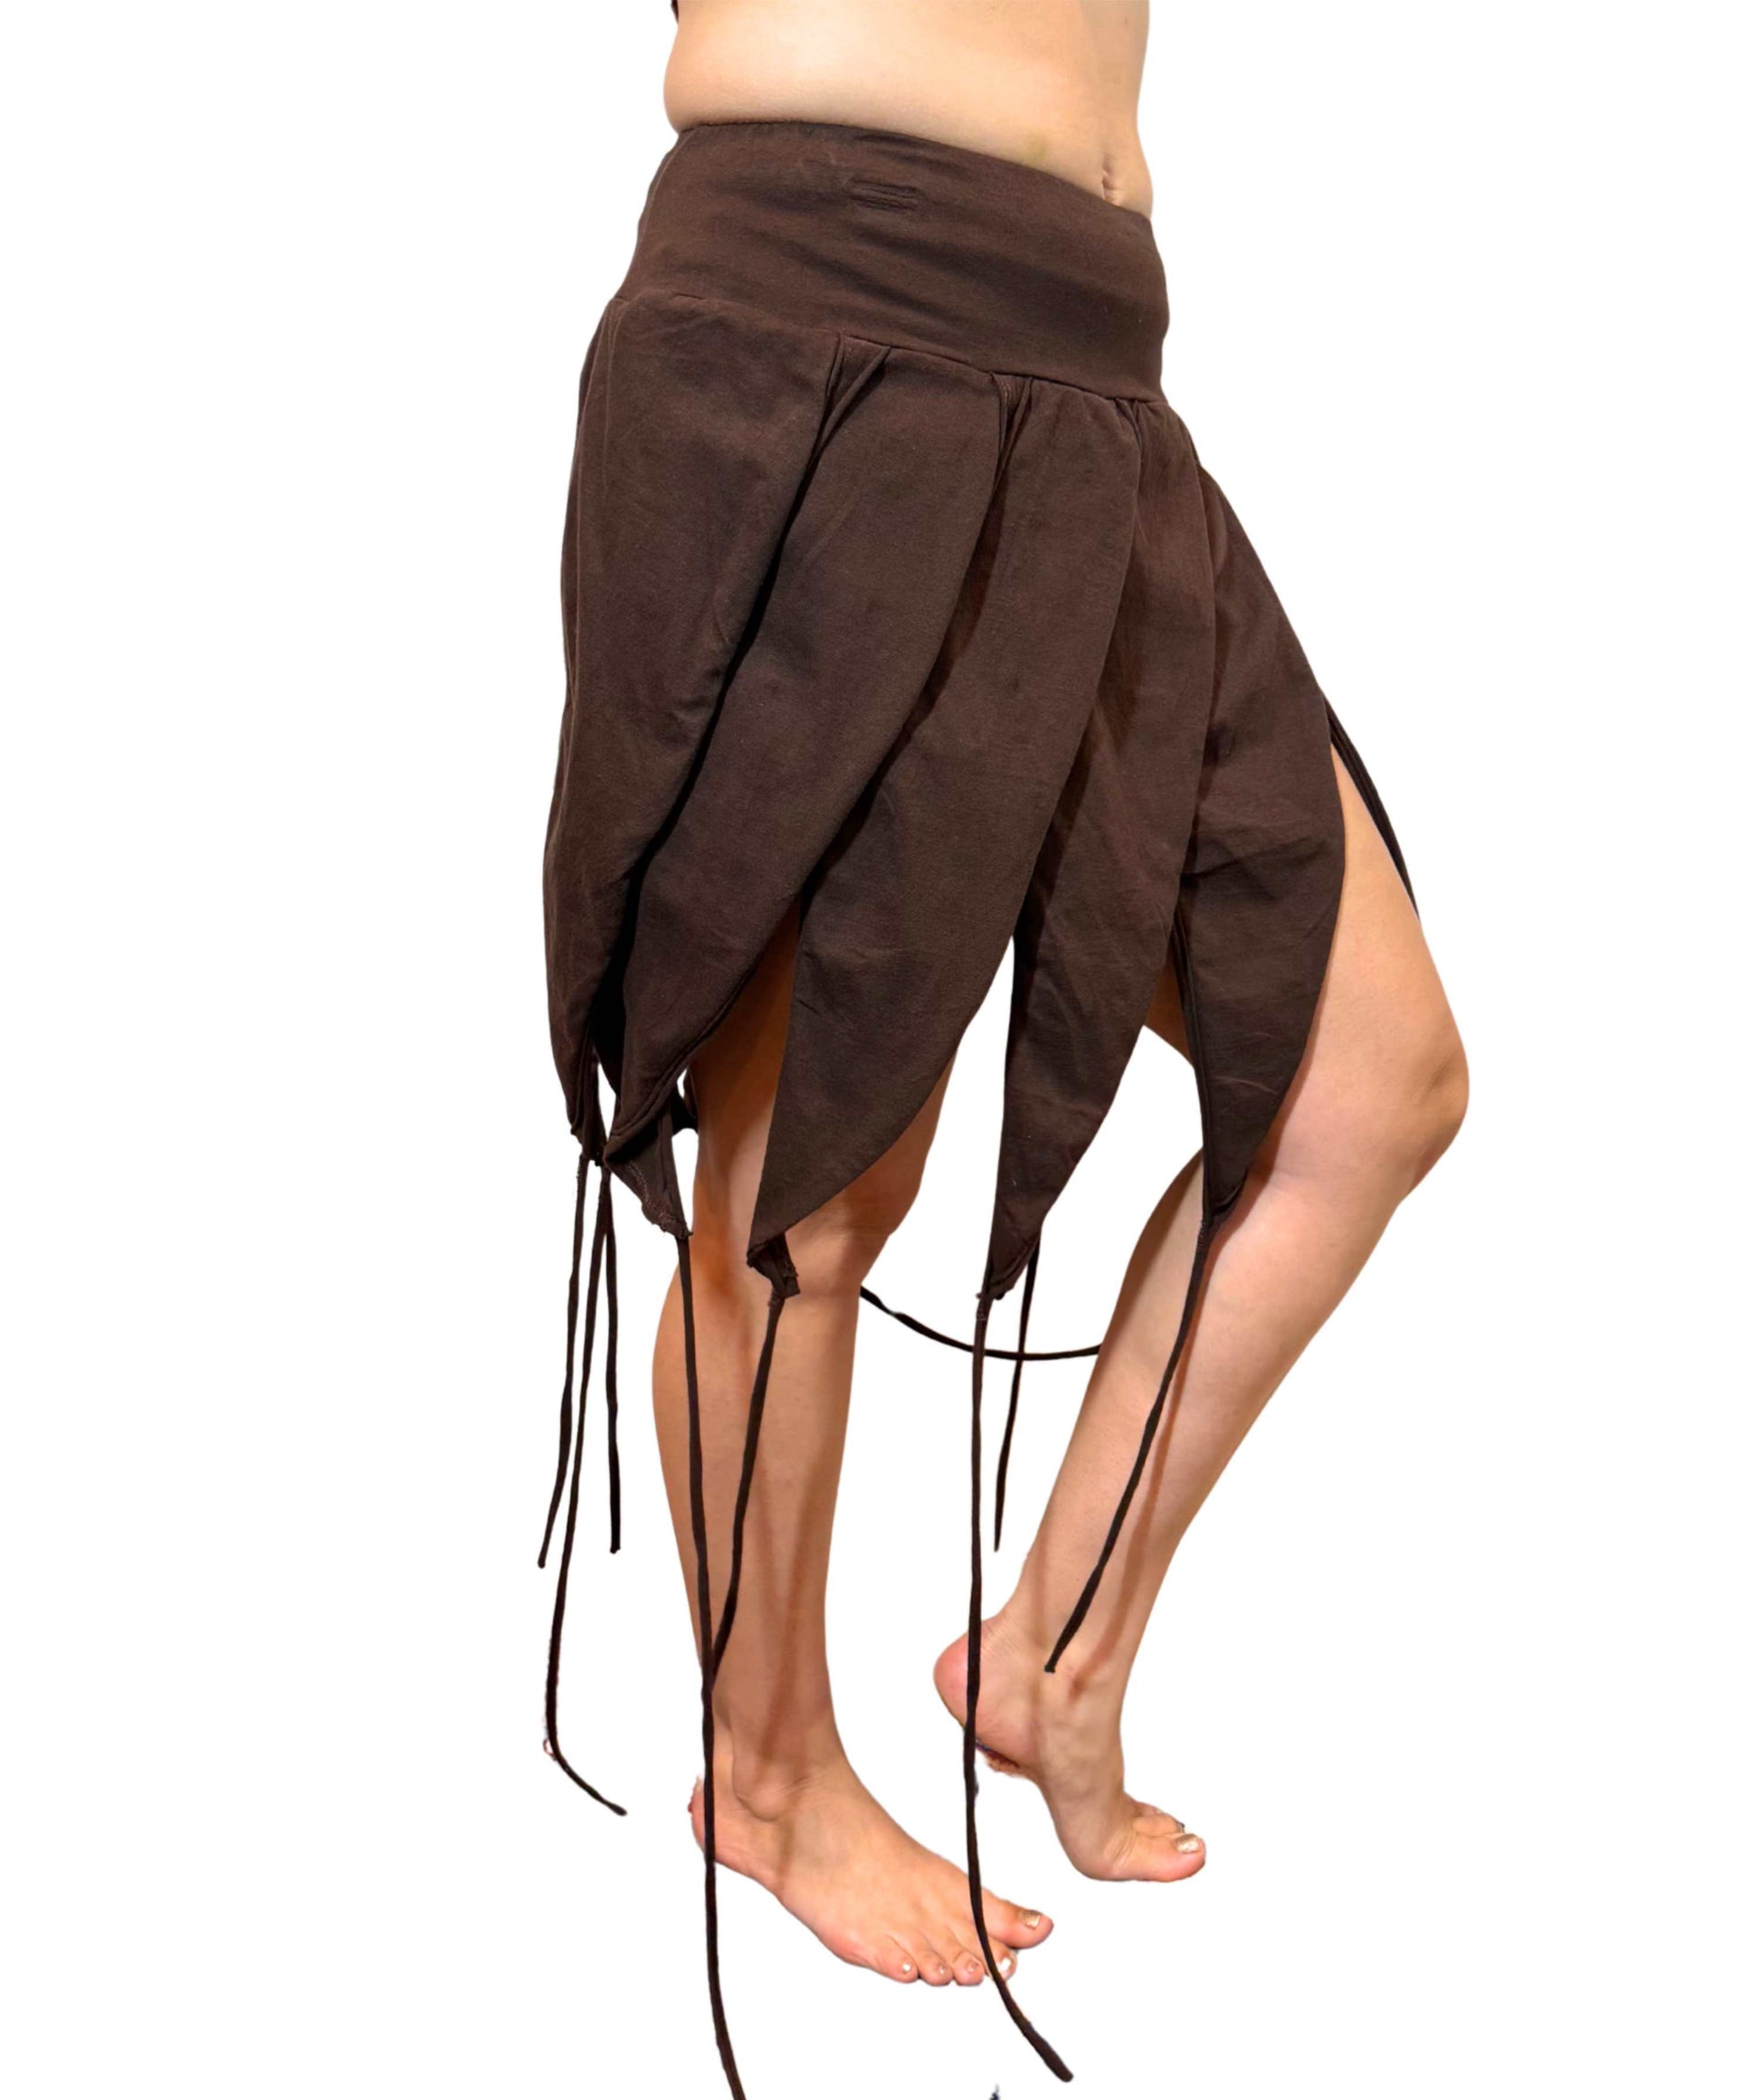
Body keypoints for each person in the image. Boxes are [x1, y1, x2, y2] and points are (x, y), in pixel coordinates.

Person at [537, 3, 1469, 2090]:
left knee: (1365, 1082)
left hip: (1096, 367)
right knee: (811, 1180)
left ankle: (1051, 1657)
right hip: (830, 319)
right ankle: (769, 1773)